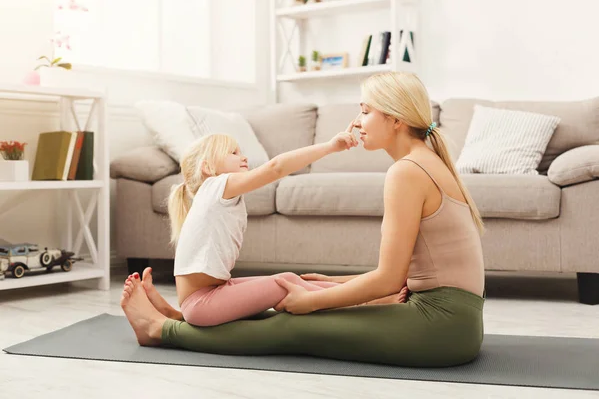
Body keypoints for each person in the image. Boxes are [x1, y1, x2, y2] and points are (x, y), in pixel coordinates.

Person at [120, 71, 486, 368]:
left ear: (394, 119)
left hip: (440, 327)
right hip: (453, 322)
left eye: (365, 111)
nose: (358, 122)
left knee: (295, 324)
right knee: (294, 302)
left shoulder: (407, 171)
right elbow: (401, 277)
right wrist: (330, 282)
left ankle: (159, 330)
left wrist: (313, 301)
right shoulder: (426, 162)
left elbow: (390, 281)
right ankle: (179, 320)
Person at [125, 123, 408, 329]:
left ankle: (368, 293)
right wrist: (329, 147)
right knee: (284, 283)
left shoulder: (216, 195)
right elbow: (276, 168)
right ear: (208, 169)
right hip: (203, 304)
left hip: (209, 297)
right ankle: (368, 305)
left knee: (297, 281)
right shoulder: (216, 185)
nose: (243, 157)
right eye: (234, 153)